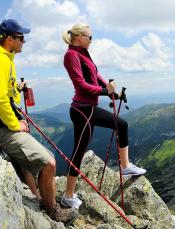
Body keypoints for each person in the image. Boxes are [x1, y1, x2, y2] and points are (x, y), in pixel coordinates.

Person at [0, 19, 77, 223]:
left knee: (37, 159)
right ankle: (52, 211)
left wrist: (17, 88)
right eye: (21, 37)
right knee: (49, 163)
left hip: (1, 124)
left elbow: (3, 91)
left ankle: (39, 196)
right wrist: (15, 125)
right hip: (2, 128)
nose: (24, 41)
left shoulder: (5, 58)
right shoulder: (0, 60)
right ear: (10, 39)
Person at [61, 23, 146, 209]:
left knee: (121, 125)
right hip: (82, 110)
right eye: (89, 37)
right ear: (79, 37)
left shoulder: (83, 53)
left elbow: (96, 76)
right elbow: (81, 85)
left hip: (89, 109)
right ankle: (68, 196)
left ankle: (125, 167)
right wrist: (104, 90)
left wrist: (113, 93)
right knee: (78, 151)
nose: (92, 40)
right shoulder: (71, 55)